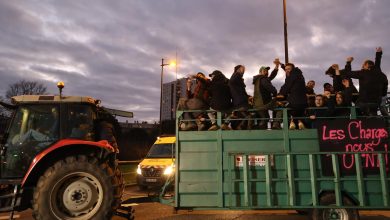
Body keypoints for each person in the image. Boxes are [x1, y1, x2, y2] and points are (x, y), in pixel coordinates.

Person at [333, 47, 388, 116]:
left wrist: (348, 62)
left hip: (363, 102)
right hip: (377, 102)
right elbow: (378, 63)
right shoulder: (382, 74)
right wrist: (378, 53)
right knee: (373, 114)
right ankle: (378, 121)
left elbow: (347, 73)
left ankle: (360, 123)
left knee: (356, 109)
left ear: (366, 65)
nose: (362, 67)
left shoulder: (363, 73)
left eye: (363, 65)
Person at [278, 63, 307, 129]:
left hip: (294, 102)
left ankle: (292, 121)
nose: (287, 71)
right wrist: (282, 65)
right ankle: (299, 121)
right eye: (285, 70)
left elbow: (286, 87)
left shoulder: (292, 76)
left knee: (283, 105)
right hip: (304, 103)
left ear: (292, 69)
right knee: (298, 111)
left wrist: (279, 94)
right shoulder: (299, 75)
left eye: (289, 69)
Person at [252, 59, 279, 129]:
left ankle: (259, 130)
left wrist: (276, 66)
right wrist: (275, 93)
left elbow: (271, 76)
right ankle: (276, 124)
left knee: (265, 118)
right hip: (264, 103)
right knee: (280, 108)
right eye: (264, 70)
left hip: (257, 104)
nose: (266, 72)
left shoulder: (258, 79)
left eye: (267, 71)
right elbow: (270, 87)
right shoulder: (263, 79)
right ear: (260, 72)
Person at [229, 65, 252, 130]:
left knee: (242, 115)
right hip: (240, 101)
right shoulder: (236, 75)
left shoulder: (237, 77)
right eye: (243, 69)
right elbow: (232, 82)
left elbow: (241, 90)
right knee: (248, 114)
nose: (244, 71)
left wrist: (248, 96)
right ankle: (242, 126)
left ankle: (239, 126)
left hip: (239, 101)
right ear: (238, 69)